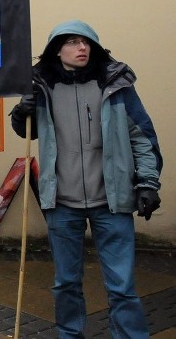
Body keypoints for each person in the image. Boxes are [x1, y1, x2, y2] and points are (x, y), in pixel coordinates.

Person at [10, 20, 162, 338]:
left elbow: (142, 137)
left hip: (112, 200)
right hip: (62, 203)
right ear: (57, 50)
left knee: (122, 286)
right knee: (66, 283)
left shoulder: (115, 86)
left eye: (87, 42)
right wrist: (22, 112)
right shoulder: (43, 87)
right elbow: (28, 131)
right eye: (74, 42)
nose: (82, 47)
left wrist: (147, 182)